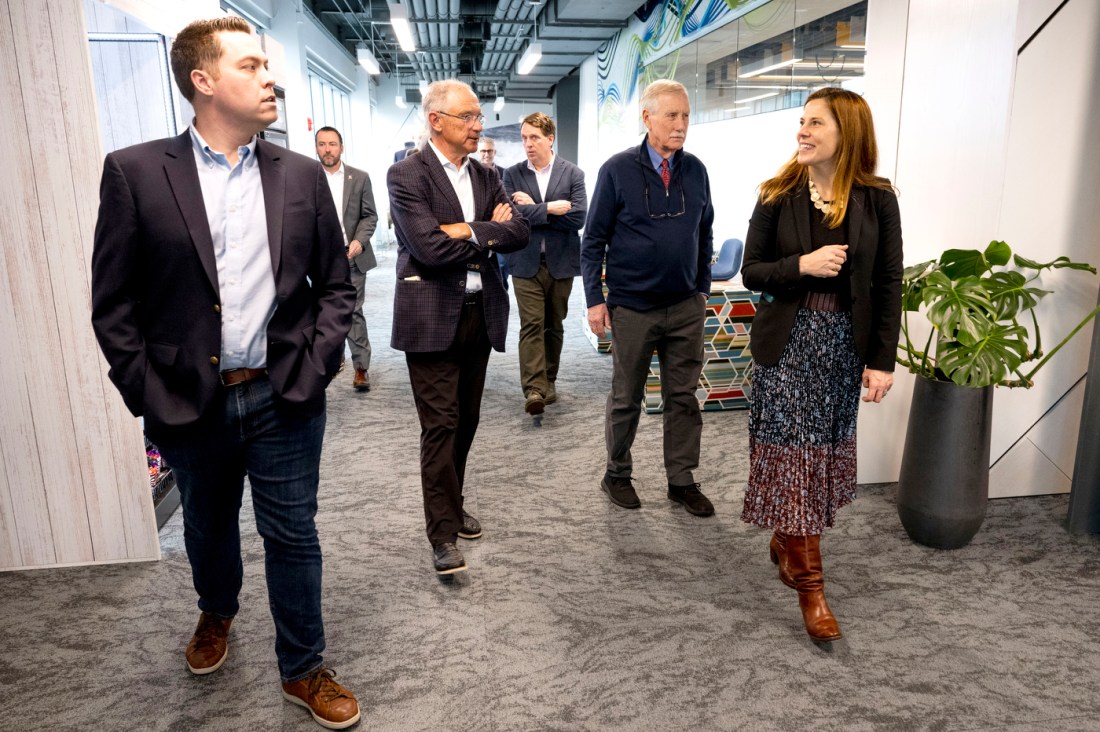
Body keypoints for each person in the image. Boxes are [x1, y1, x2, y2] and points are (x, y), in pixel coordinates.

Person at [89, 17, 360, 730]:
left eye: (268, 64)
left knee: (292, 532)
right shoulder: (136, 171)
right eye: (251, 65)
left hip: (283, 392)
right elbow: (113, 304)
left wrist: (319, 359)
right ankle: (217, 611)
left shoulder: (300, 174)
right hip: (189, 399)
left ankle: (303, 666)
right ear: (203, 81)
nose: (270, 77)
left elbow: (336, 284)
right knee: (208, 527)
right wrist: (145, 388)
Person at [739, 87, 903, 644]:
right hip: (787, 346)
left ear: (847, 132)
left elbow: (888, 285)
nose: (802, 132)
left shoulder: (877, 199)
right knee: (797, 461)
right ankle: (812, 590)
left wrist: (882, 361)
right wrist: (801, 265)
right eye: (801, 122)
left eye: (816, 124)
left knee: (817, 460)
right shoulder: (777, 193)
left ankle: (789, 540)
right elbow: (752, 272)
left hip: (841, 348)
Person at [387, 80, 529, 575]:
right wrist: (487, 232)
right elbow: (427, 249)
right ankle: (441, 534)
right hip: (429, 318)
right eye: (467, 117)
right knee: (440, 425)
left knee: (465, 421)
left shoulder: (487, 175)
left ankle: (453, 500)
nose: (478, 125)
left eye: (478, 116)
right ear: (436, 120)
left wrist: (467, 231)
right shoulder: (406, 175)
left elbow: (519, 231)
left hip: (478, 314)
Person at [581, 79, 715, 518]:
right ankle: (616, 474)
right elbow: (593, 240)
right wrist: (595, 300)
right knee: (626, 396)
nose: (681, 125)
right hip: (633, 306)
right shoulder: (617, 170)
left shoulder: (695, 170)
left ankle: (681, 480)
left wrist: (701, 288)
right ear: (647, 117)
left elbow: (704, 230)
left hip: (684, 307)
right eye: (672, 116)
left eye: (686, 116)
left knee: (683, 397)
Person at [502, 113, 587, 414]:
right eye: (524, 137)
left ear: (550, 138)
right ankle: (535, 389)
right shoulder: (512, 175)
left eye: (534, 137)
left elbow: (579, 218)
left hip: (561, 262)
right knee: (532, 324)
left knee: (554, 324)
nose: (527, 143)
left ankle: (550, 378)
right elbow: (512, 217)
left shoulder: (572, 174)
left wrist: (533, 210)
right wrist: (551, 208)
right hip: (525, 261)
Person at [316, 126, 379, 392]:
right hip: (320, 259)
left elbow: (369, 215)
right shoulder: (308, 177)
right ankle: (328, 364)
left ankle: (361, 368)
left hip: (352, 255)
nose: (327, 149)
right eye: (322, 144)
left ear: (341, 147)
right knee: (324, 313)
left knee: (353, 311)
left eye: (332, 144)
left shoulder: (359, 178)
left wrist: (359, 241)